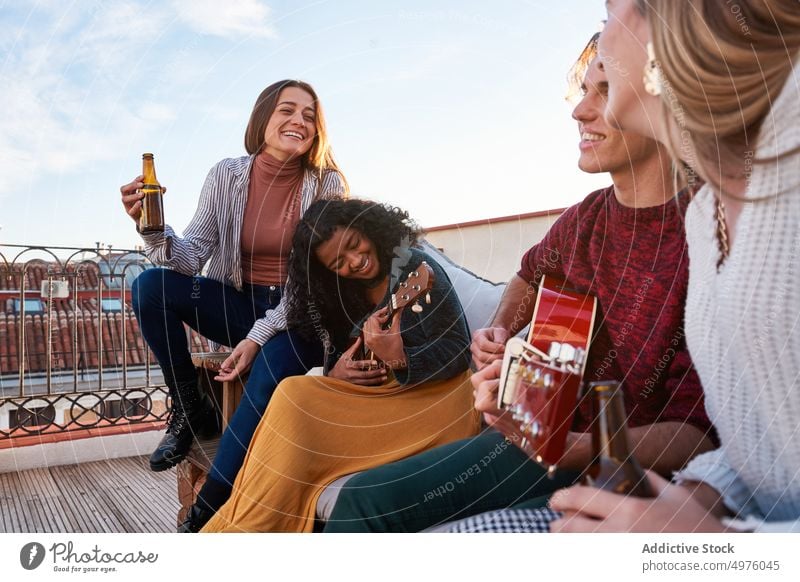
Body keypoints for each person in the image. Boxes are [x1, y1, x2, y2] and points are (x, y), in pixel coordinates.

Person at [322, 35, 716, 533]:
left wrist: (574, 446)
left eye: (604, 91)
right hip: (546, 430)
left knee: (364, 504)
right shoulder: (586, 219)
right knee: (361, 496)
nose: (579, 111)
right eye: (583, 91)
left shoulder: (708, 232)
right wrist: (500, 333)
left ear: (666, 103)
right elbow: (530, 273)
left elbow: (702, 435)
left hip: (627, 468)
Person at [549, 0, 800, 533]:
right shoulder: (708, 213)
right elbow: (761, 445)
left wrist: (714, 544)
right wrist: (693, 497)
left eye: (606, 21)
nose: (579, 106)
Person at [120, 80, 347, 531]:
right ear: (262, 118)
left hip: (301, 314)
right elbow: (190, 258)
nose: (298, 121)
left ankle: (205, 513)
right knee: (150, 286)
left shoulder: (327, 184)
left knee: (266, 376)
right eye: (287, 110)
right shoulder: (226, 174)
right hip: (239, 303)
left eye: (308, 115)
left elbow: (313, 281)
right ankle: (189, 407)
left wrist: (258, 336)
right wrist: (149, 230)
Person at [198, 199, 481, 532]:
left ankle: (245, 529)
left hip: (442, 402)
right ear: (326, 270)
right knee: (292, 393)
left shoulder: (413, 268)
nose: (355, 261)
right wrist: (336, 372)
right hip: (381, 400)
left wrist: (400, 358)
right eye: (338, 262)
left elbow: (459, 351)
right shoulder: (340, 290)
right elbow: (339, 352)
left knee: (294, 397)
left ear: (368, 228)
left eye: (354, 244)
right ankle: (237, 522)